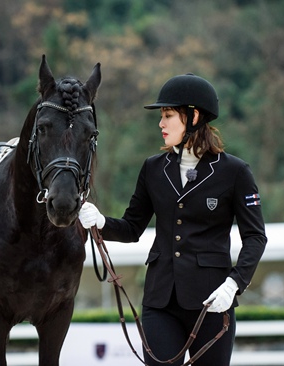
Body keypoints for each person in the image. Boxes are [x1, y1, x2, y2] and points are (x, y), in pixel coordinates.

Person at [78, 73, 267, 365]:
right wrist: (101, 222)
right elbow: (131, 228)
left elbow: (255, 237)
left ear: (193, 116)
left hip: (212, 301)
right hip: (160, 300)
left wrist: (234, 284)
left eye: (168, 115)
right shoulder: (153, 168)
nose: (161, 123)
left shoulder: (235, 172)